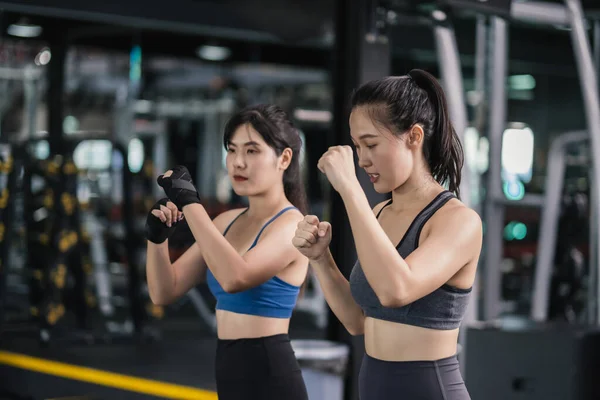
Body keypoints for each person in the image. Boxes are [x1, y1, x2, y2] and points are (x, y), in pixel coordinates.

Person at [292, 69, 481, 400]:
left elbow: (397, 290)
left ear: (414, 137)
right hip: (374, 385)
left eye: (371, 144)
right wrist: (320, 258)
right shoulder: (379, 214)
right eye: (356, 146)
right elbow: (357, 320)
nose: (362, 159)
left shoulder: (458, 221)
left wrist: (350, 188)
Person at [145, 104, 310, 400]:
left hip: (270, 375)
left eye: (252, 151)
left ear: (284, 158)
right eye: (232, 150)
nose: (237, 163)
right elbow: (164, 291)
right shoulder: (225, 222)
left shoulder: (291, 225)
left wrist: (189, 202)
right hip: (229, 369)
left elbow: (235, 277)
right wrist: (157, 240)